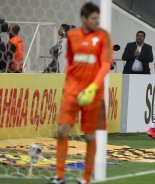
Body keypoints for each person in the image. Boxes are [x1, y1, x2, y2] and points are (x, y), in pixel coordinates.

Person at [50, 2, 113, 184]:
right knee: (62, 131)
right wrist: (66, 87)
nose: (97, 21)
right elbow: (70, 63)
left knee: (90, 136)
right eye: (94, 18)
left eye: (98, 18)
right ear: (84, 18)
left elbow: (105, 65)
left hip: (93, 93)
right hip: (72, 91)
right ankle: (59, 176)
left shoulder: (103, 36)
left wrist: (93, 88)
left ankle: (85, 179)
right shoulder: (73, 36)